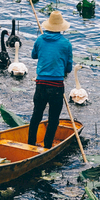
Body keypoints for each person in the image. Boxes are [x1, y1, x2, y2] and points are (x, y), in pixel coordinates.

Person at [28, 11, 74, 148]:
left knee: (36, 115)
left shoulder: (40, 39)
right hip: (56, 86)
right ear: (61, 28)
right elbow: (69, 67)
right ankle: (47, 146)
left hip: (40, 84)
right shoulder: (66, 44)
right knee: (53, 119)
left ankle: (31, 143)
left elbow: (33, 55)